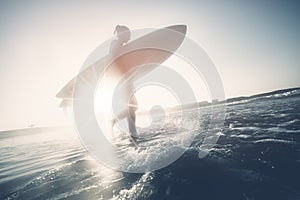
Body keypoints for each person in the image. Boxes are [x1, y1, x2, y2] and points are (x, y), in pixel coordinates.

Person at [110, 25, 138, 142]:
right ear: (121, 34)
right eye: (128, 34)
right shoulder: (115, 44)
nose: (130, 36)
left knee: (133, 106)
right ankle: (132, 132)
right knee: (132, 106)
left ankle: (132, 131)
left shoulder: (121, 45)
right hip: (122, 81)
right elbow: (114, 58)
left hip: (127, 79)